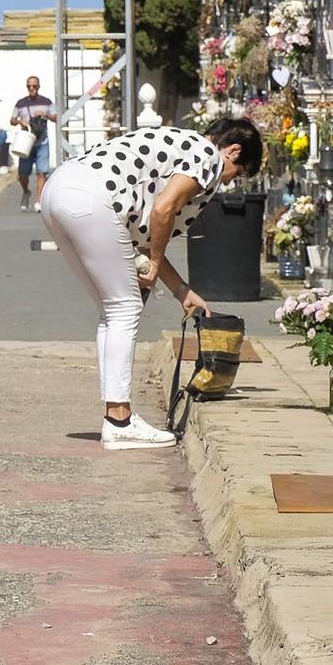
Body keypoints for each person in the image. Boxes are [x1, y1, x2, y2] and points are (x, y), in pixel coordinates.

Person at [38, 119, 262, 449]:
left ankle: (115, 415)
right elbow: (163, 209)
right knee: (124, 307)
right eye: (238, 172)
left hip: (58, 190)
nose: (229, 182)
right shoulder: (208, 157)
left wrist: (182, 292)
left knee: (112, 310)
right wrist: (155, 264)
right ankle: (119, 420)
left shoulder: (180, 145)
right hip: (91, 196)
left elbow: (149, 232)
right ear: (233, 151)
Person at [12, 76, 55, 210]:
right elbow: (12, 120)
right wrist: (20, 121)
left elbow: (56, 118)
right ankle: (26, 191)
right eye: (29, 86)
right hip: (26, 144)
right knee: (22, 174)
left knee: (41, 172)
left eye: (34, 86)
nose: (32, 89)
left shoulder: (46, 102)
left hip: (42, 142)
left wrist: (45, 114)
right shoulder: (20, 103)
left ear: (38, 87)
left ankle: (39, 201)